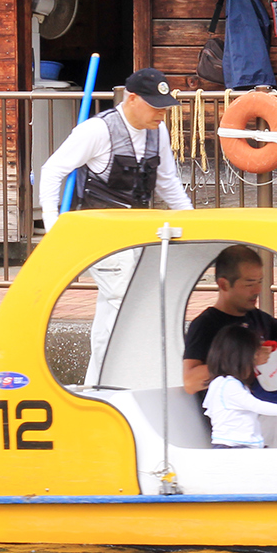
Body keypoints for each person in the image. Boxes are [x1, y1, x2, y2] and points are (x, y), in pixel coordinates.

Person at [38, 69, 195, 385]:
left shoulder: (158, 131)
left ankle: (98, 386)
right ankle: (126, 382)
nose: (161, 115)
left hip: (140, 235)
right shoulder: (97, 130)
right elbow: (52, 170)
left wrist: (193, 224)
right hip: (103, 236)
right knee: (126, 305)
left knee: (114, 313)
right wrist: (53, 227)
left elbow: (166, 183)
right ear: (132, 98)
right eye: (155, 107)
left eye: (164, 108)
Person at [182, 244, 277, 447]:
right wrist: (246, 357)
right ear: (223, 284)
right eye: (249, 284)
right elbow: (190, 381)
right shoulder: (206, 325)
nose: (257, 290)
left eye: (260, 282)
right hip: (239, 418)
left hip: (269, 406)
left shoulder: (257, 318)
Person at [201, 321, 277, 449]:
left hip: (238, 446)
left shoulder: (221, 384)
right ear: (242, 357)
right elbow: (255, 405)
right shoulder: (229, 385)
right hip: (235, 447)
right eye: (254, 354)